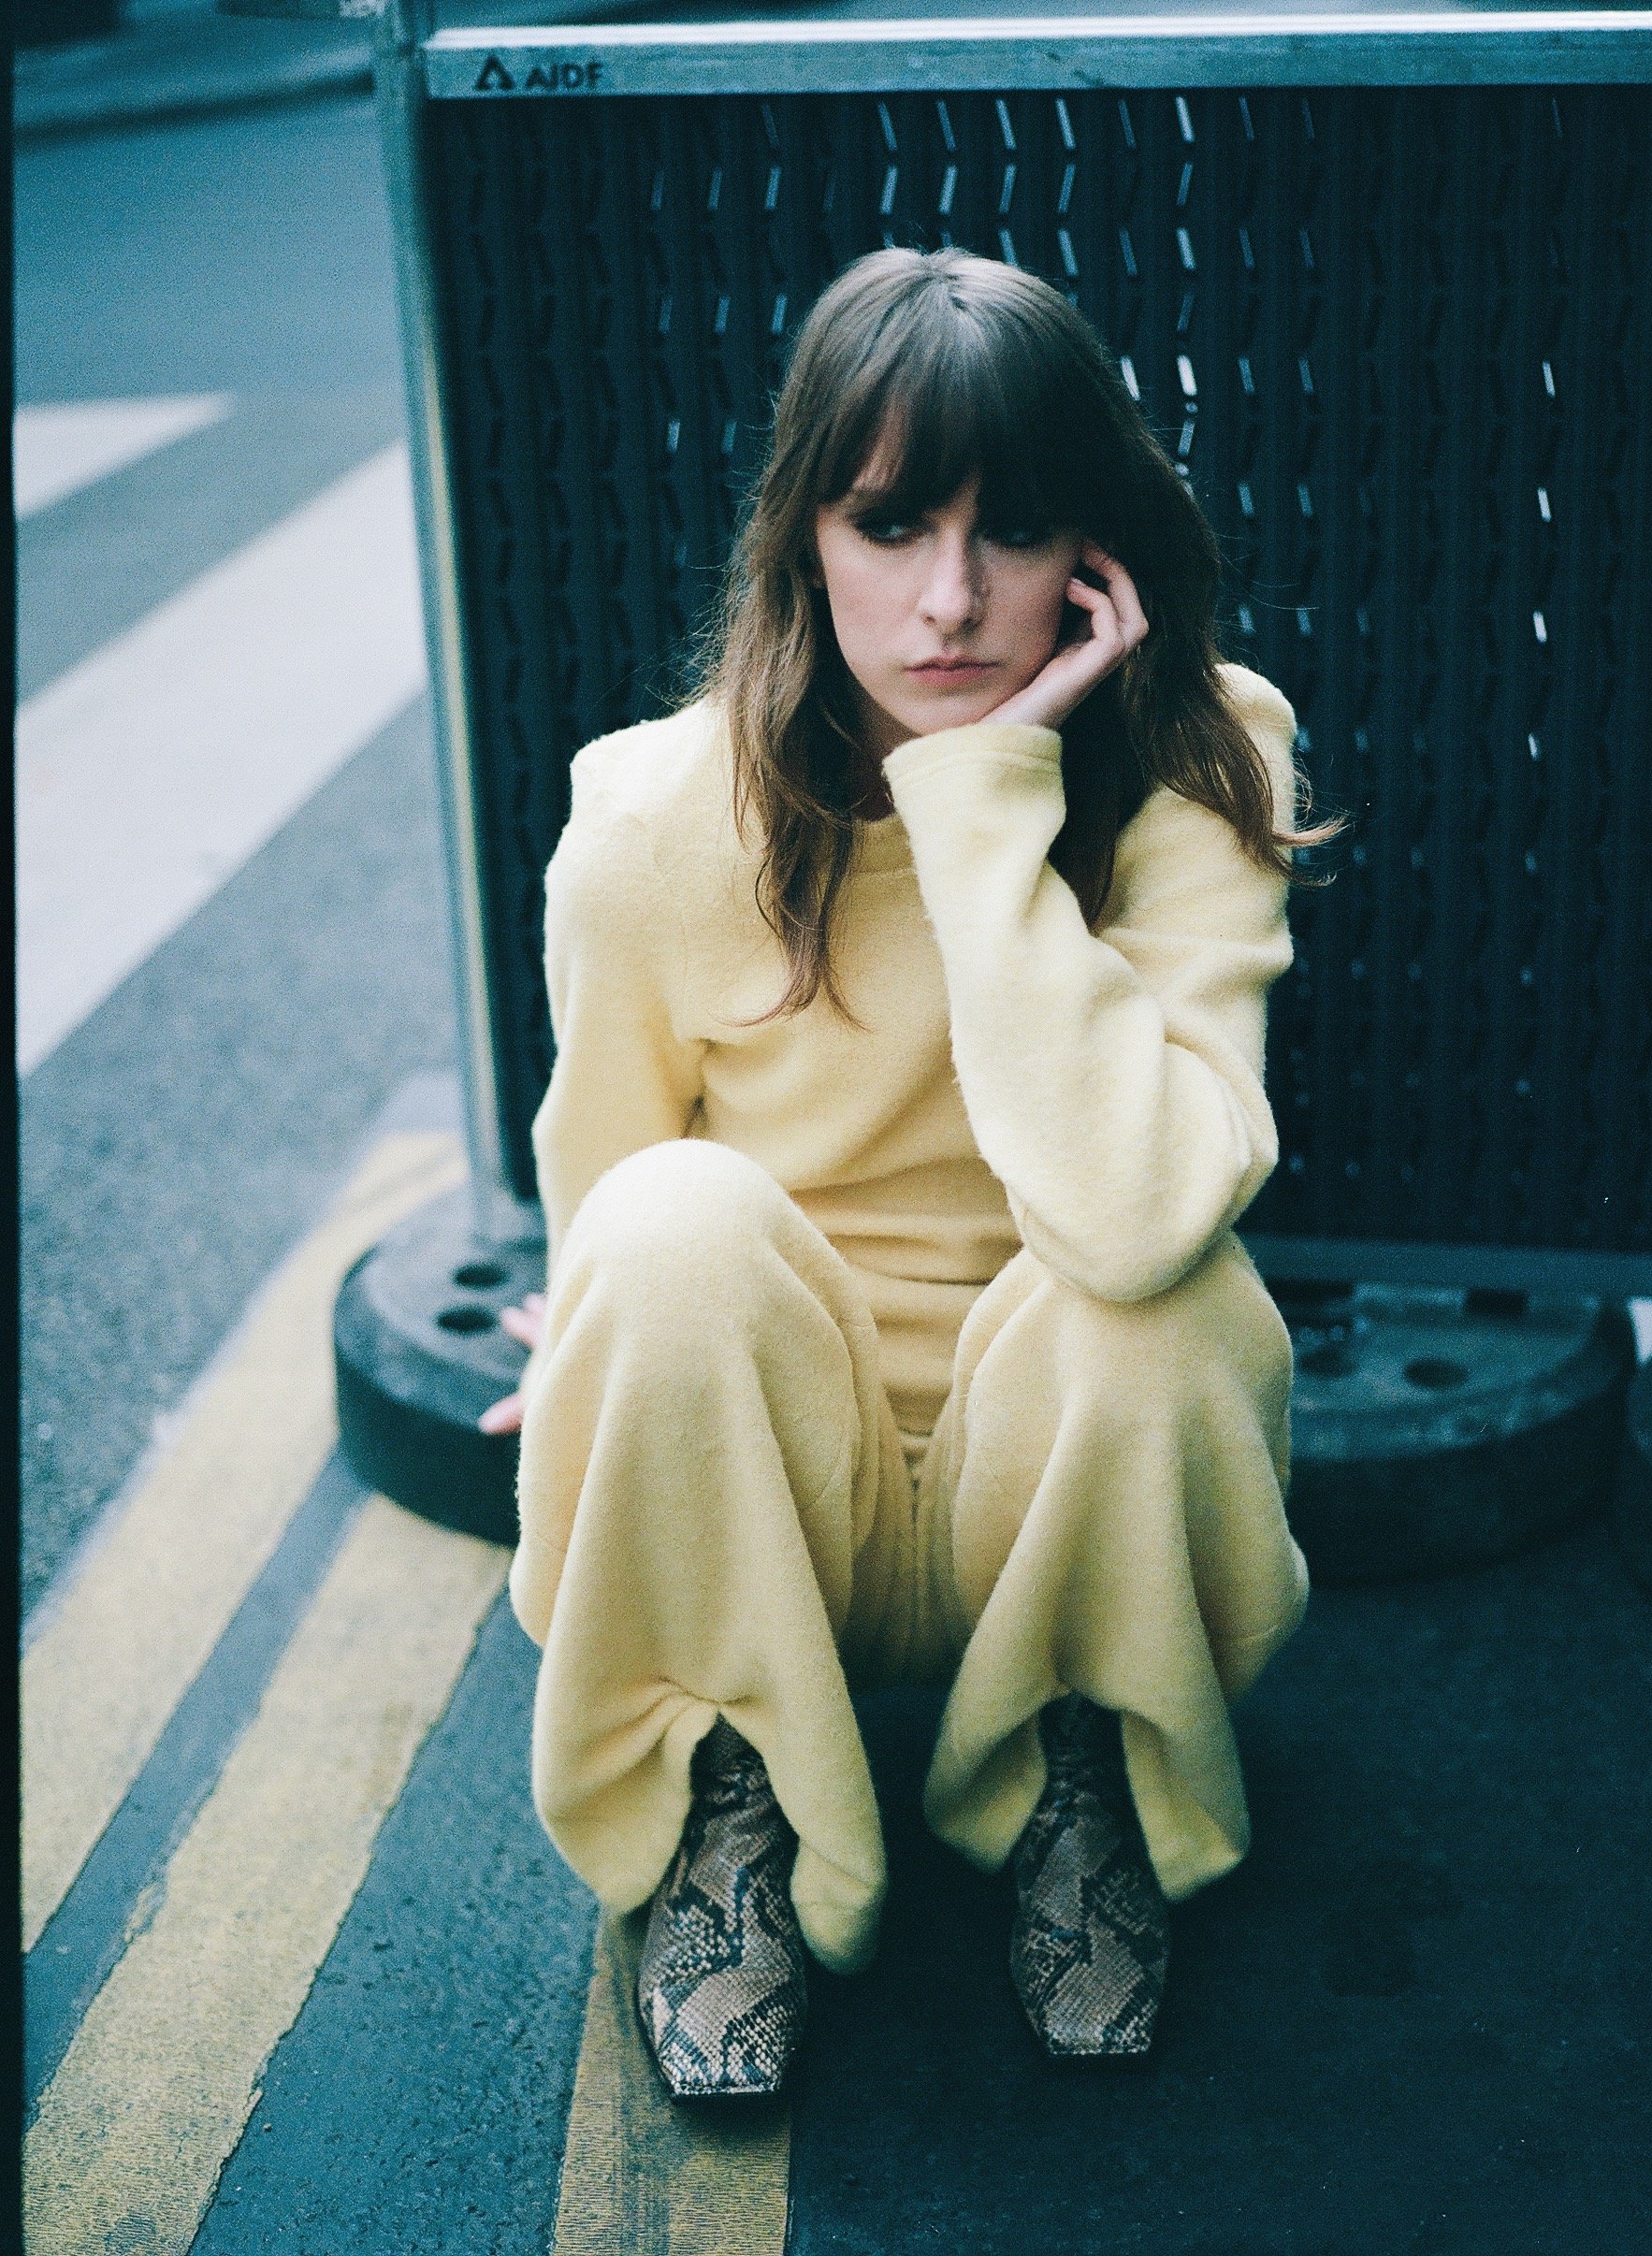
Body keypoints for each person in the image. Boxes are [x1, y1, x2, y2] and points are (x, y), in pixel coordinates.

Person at [479, 245, 1339, 2100]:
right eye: (886, 524)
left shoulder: (1203, 756)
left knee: (1164, 1279)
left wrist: (980, 807)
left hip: (1067, 1498)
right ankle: (728, 1787)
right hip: (780, 1503)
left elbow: (1137, 1202)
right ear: (802, 536)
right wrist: (594, 1341)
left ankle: (1082, 1763)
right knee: (671, 1219)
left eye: (1010, 528)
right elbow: (607, 1170)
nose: (948, 598)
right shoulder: (651, 813)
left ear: (1091, 555)